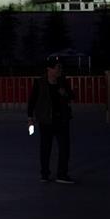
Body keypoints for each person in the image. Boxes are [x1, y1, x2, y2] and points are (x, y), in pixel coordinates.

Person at [27, 56, 75, 184]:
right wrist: (30, 118)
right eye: (58, 67)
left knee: (64, 148)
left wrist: (65, 94)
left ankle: (62, 174)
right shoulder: (39, 83)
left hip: (62, 120)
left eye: (61, 67)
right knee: (45, 148)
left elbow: (72, 96)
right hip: (46, 120)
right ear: (49, 69)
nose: (60, 70)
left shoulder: (63, 82)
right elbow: (32, 101)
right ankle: (44, 174)